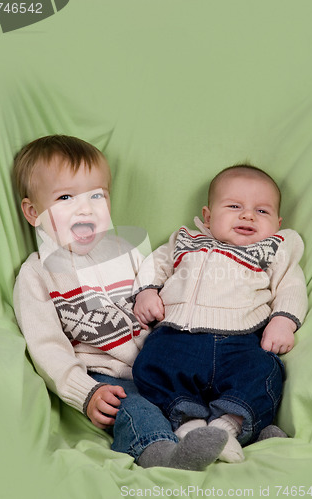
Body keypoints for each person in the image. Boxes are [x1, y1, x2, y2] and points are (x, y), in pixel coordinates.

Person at [12, 134, 229, 470]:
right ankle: (163, 455)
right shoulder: (37, 273)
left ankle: (244, 430)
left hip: (158, 362)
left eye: (97, 195)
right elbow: (46, 346)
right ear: (33, 212)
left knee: (213, 378)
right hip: (105, 374)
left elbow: (158, 289)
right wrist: (83, 392)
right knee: (134, 407)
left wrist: (153, 297)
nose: (85, 208)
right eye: (65, 197)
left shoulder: (125, 251)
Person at [132, 164, 308, 463]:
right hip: (178, 336)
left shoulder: (274, 248)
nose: (248, 215)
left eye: (262, 211)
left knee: (264, 372)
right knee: (151, 364)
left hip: (242, 341)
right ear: (209, 215)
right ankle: (190, 427)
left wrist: (283, 321)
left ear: (278, 222)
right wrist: (147, 291)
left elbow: (291, 284)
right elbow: (154, 264)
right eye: (235, 206)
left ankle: (227, 426)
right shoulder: (185, 240)